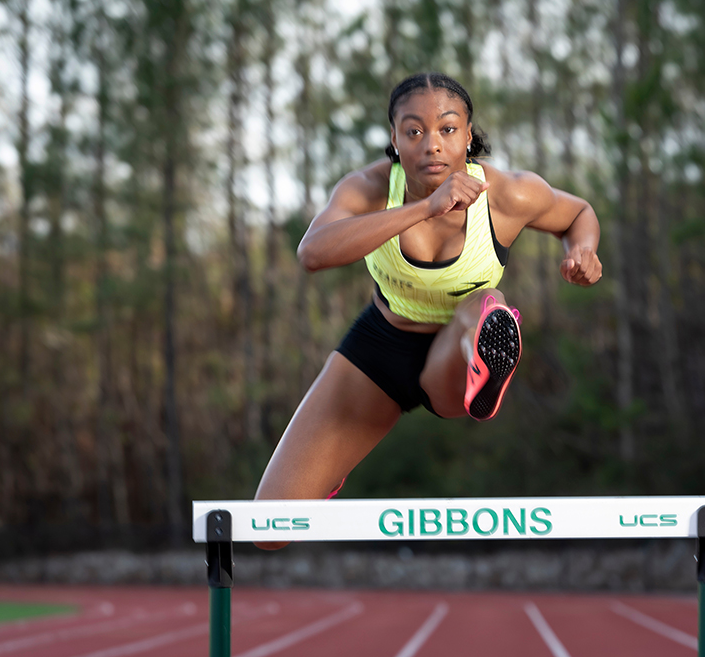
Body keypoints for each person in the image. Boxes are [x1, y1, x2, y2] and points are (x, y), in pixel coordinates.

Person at [254, 73, 602, 545]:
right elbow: (312, 253)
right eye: (414, 131)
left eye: (447, 129)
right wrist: (426, 207)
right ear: (394, 139)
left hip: (451, 359)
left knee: (483, 306)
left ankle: (486, 356)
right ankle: (329, 465)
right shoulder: (368, 188)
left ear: (469, 135)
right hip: (379, 348)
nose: (431, 145)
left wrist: (581, 251)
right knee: (269, 530)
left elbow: (578, 213)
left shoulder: (508, 194)